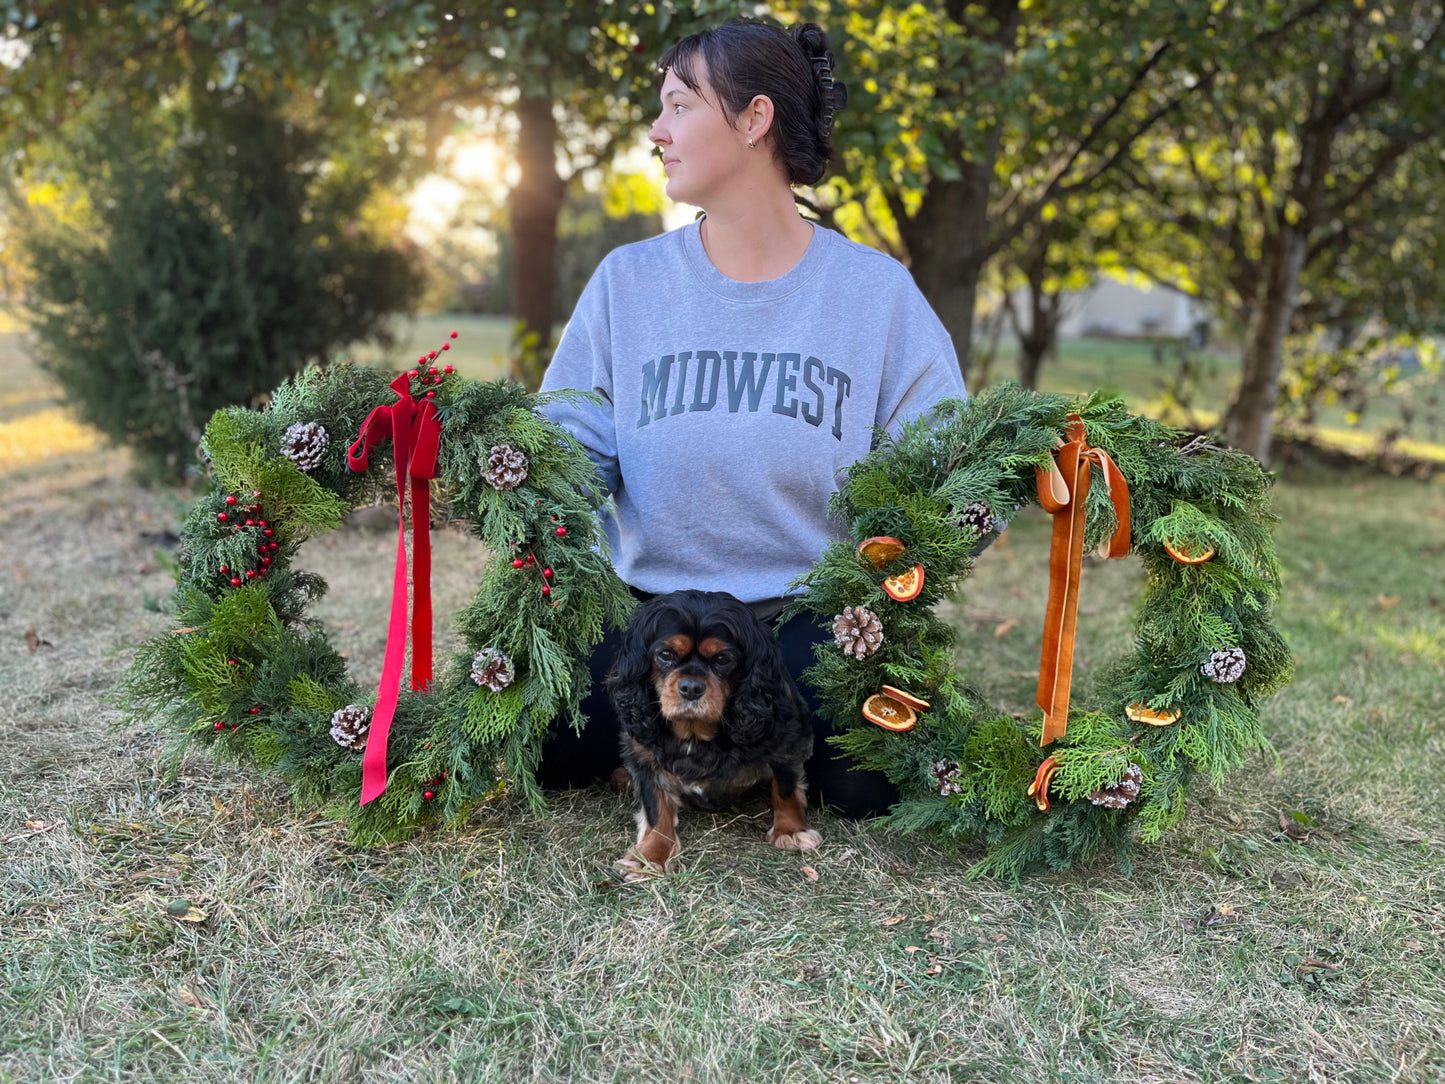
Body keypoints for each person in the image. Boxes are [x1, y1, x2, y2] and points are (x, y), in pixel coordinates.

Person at [534, 20, 966, 817]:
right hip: (649, 613)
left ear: (753, 119)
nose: (656, 131)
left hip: (801, 618)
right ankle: (695, 753)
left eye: (676, 105)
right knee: (554, 751)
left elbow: (955, 465)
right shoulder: (627, 281)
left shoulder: (874, 293)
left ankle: (727, 758)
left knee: (864, 781)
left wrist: (902, 571)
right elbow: (571, 443)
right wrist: (509, 475)